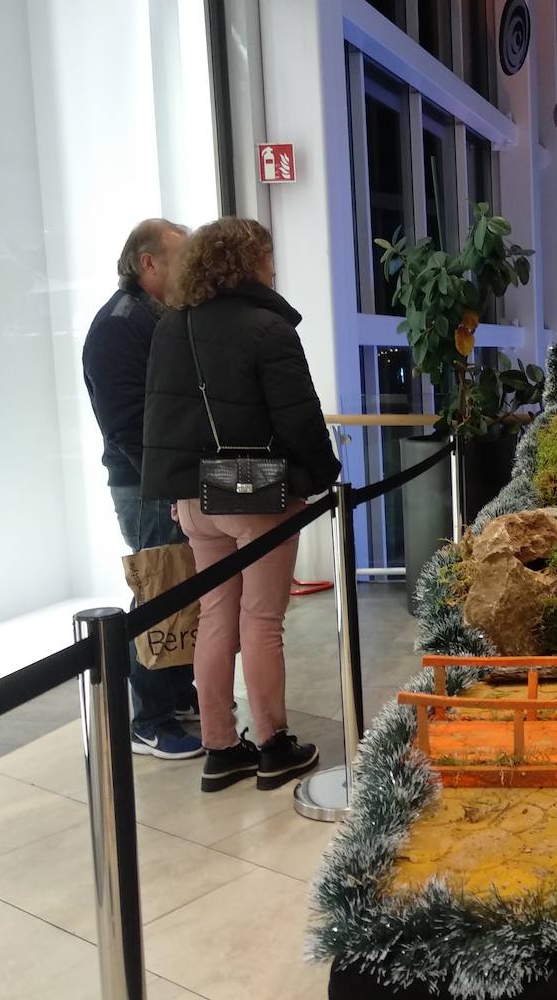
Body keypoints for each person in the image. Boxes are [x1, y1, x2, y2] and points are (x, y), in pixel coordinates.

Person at [143, 218, 341, 792]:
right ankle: (275, 745)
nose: (274, 268)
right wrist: (325, 477)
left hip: (195, 493)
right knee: (261, 620)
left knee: (214, 616)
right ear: (251, 262)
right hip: (252, 486)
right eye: (268, 257)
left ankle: (221, 747)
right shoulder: (266, 329)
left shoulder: (170, 328)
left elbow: (161, 421)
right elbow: (298, 419)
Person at [83, 219, 203, 760]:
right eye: (179, 260)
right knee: (157, 589)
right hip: (145, 484)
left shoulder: (155, 318)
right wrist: (170, 488)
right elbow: (128, 424)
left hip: (165, 479)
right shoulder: (117, 326)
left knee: (179, 585)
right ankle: (149, 719)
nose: (187, 270)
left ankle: (175, 694)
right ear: (147, 263)